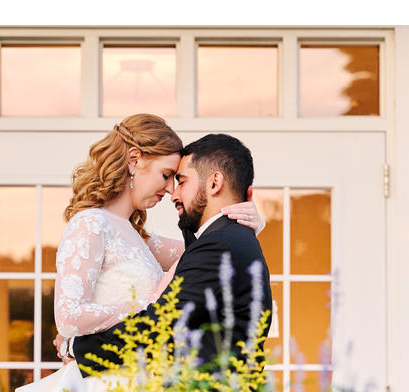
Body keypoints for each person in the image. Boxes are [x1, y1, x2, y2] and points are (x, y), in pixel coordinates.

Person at [0, 116, 265, 392]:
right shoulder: (90, 224)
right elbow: (69, 317)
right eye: (167, 175)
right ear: (135, 160)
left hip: (136, 391)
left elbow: (203, 253)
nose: (169, 190)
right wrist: (148, 304)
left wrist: (245, 224)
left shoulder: (142, 239)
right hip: (96, 389)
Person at [69, 133, 273, 376]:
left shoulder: (220, 245)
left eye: (182, 181)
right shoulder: (228, 240)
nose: (173, 194)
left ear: (214, 182)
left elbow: (160, 326)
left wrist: (75, 347)